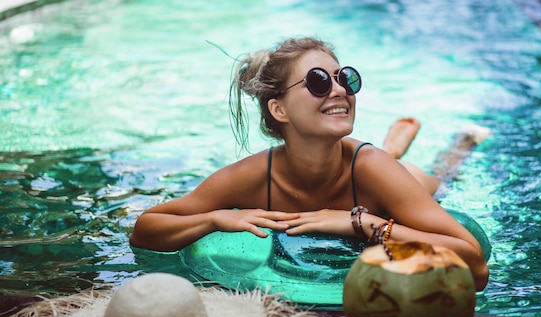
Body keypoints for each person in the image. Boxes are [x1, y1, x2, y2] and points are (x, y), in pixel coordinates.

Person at [131, 37, 489, 291]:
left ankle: (462, 142)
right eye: (318, 81)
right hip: (361, 171)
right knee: (385, 163)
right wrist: (215, 217)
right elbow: (146, 229)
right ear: (279, 109)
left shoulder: (373, 169)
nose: (339, 90)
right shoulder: (254, 177)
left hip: (377, 178)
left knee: (437, 178)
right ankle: (394, 149)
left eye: (344, 78)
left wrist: (365, 222)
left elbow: (475, 265)